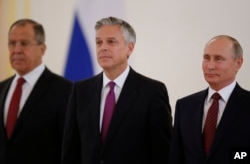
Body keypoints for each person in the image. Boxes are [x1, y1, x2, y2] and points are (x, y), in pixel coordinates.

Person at [61, 16, 172, 164]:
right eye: (99, 42)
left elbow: (162, 152)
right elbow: (71, 149)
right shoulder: (81, 90)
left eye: (111, 42)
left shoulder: (152, 92)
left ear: (130, 48)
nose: (103, 47)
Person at [0, 19, 72, 164]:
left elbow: (70, 149)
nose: (17, 50)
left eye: (24, 43)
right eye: (12, 43)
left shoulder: (66, 91)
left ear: (42, 49)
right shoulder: (1, 88)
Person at [169, 35, 250, 164]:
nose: (210, 66)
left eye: (218, 59)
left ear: (238, 63)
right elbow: (176, 157)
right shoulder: (184, 106)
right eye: (206, 58)